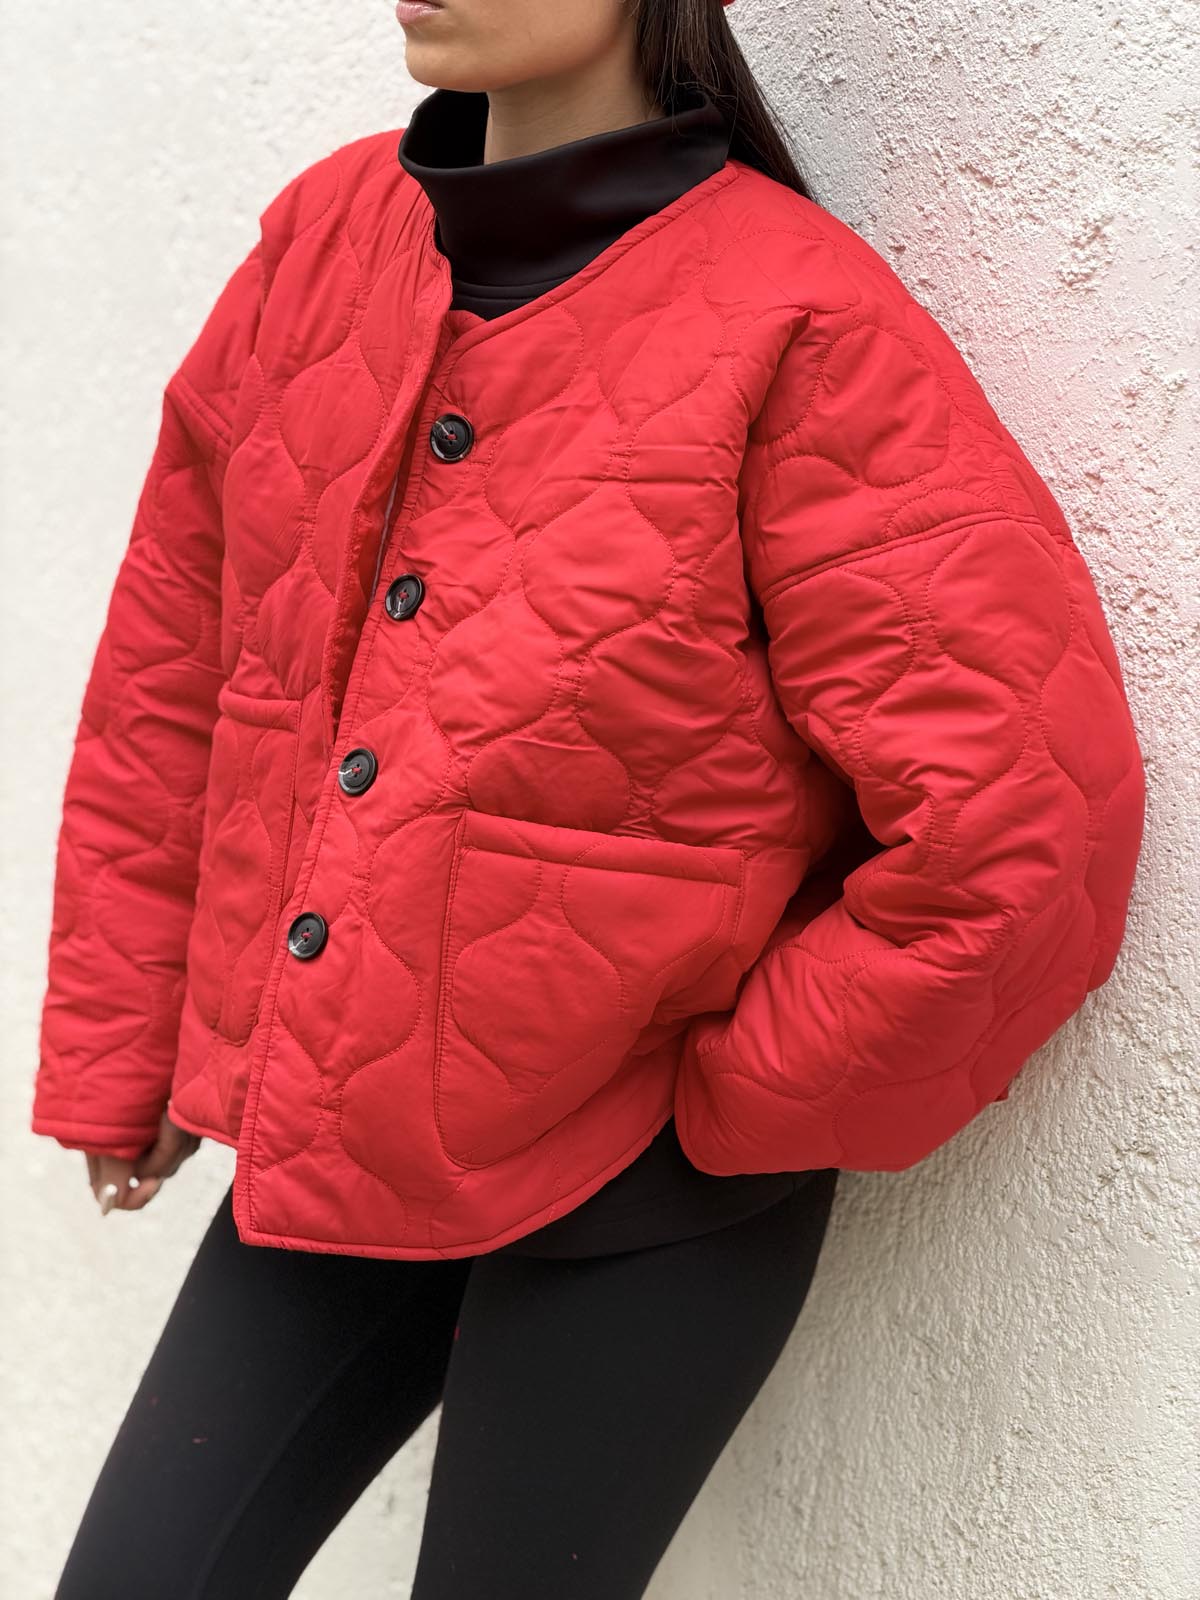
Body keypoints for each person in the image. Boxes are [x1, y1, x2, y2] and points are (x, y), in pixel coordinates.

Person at [33, 1, 1145, 1595]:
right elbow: (179, 659)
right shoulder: (322, 244)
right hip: (345, 1112)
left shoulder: (798, 320)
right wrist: (126, 1039)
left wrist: (737, 1105)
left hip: (639, 1185)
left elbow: (1025, 822)